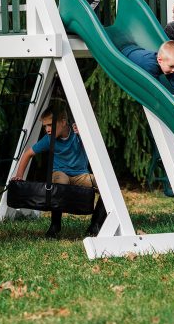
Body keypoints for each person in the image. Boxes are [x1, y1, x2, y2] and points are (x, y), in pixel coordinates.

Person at [11, 101, 105, 239]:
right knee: (60, 182)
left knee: (105, 186)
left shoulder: (77, 133)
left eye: (50, 125)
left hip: (80, 175)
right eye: (45, 126)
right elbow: (28, 154)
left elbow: (96, 147)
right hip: (60, 173)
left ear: (63, 122)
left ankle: (95, 225)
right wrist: (19, 175)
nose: (47, 129)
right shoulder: (49, 139)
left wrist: (85, 134)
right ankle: (55, 225)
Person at [120, 40, 174, 116]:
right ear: (160, 60)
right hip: (125, 52)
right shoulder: (150, 66)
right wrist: (172, 98)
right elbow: (156, 88)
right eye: (172, 66)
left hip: (137, 49)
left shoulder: (167, 63)